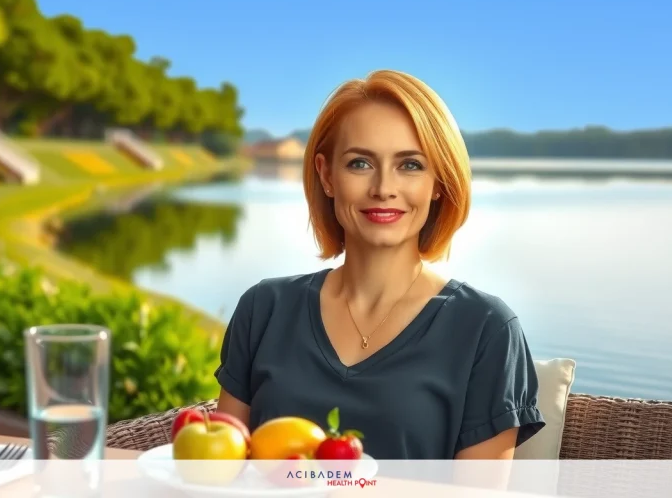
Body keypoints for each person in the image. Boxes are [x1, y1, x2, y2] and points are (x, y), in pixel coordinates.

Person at [214, 69, 545, 460]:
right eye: (359, 164)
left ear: (438, 182)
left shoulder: (486, 330)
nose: (384, 188)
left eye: (410, 165)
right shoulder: (263, 309)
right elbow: (218, 472)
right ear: (326, 175)